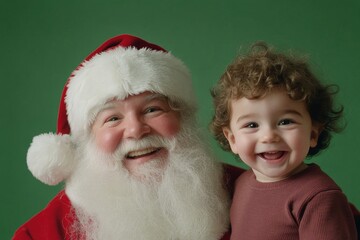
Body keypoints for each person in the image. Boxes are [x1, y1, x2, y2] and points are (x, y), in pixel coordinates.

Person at [13, 34, 232, 240]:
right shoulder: (44, 232)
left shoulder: (250, 192)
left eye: (152, 110)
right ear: (88, 139)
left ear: (183, 118)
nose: (136, 130)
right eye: (112, 118)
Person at [210, 42, 358, 239]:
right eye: (252, 125)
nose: (269, 136)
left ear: (313, 134)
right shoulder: (242, 183)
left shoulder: (318, 198)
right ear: (233, 139)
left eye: (286, 122)